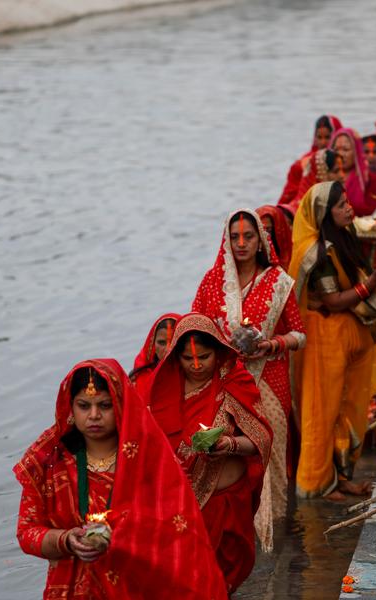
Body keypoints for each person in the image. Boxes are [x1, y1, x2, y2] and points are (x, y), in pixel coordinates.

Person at [14, 359, 227, 600]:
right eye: (84, 406)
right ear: (70, 408)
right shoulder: (48, 461)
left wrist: (126, 538)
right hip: (74, 589)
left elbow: (178, 534)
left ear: (120, 405)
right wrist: (66, 540)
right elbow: (26, 531)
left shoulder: (151, 459)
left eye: (104, 405)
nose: (94, 415)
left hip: (139, 585)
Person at [289, 181, 376, 500]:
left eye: (347, 202)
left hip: (348, 339)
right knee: (323, 411)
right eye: (341, 205)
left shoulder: (344, 239)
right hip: (324, 342)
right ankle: (317, 484)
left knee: (349, 409)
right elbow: (333, 300)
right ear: (324, 214)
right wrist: (373, 282)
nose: (350, 209)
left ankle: (342, 478)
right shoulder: (317, 254)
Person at [191, 210, 305, 551]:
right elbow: (193, 328)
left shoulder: (278, 281)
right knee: (224, 454)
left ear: (260, 242)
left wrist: (273, 344)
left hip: (268, 380)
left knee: (267, 455)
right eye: (235, 236)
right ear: (227, 240)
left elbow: (300, 334)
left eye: (248, 237)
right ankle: (228, 532)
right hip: (223, 381)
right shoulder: (212, 281)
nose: (241, 243)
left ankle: (274, 532)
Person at [148, 314, 272, 594]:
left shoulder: (234, 382)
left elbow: (261, 438)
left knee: (224, 579)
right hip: (183, 506)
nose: (195, 365)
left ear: (218, 351)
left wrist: (229, 445)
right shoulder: (164, 391)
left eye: (203, 357)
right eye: (186, 358)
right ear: (174, 357)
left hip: (228, 502)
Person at [277, 115, 343, 208]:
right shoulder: (303, 164)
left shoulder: (348, 160)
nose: (323, 142)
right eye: (319, 137)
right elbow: (288, 197)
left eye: (328, 137)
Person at [331, 128, 376, 217]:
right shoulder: (325, 177)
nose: (340, 154)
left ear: (356, 151)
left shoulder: (369, 179)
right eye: (336, 149)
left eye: (345, 150)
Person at [129, 313, 181, 398]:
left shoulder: (197, 376)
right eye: (161, 343)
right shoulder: (137, 380)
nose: (168, 350)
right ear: (152, 345)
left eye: (173, 342)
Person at [256, 204, 293, 270]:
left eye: (268, 230)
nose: (264, 235)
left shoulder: (292, 255)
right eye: (260, 230)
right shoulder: (250, 256)